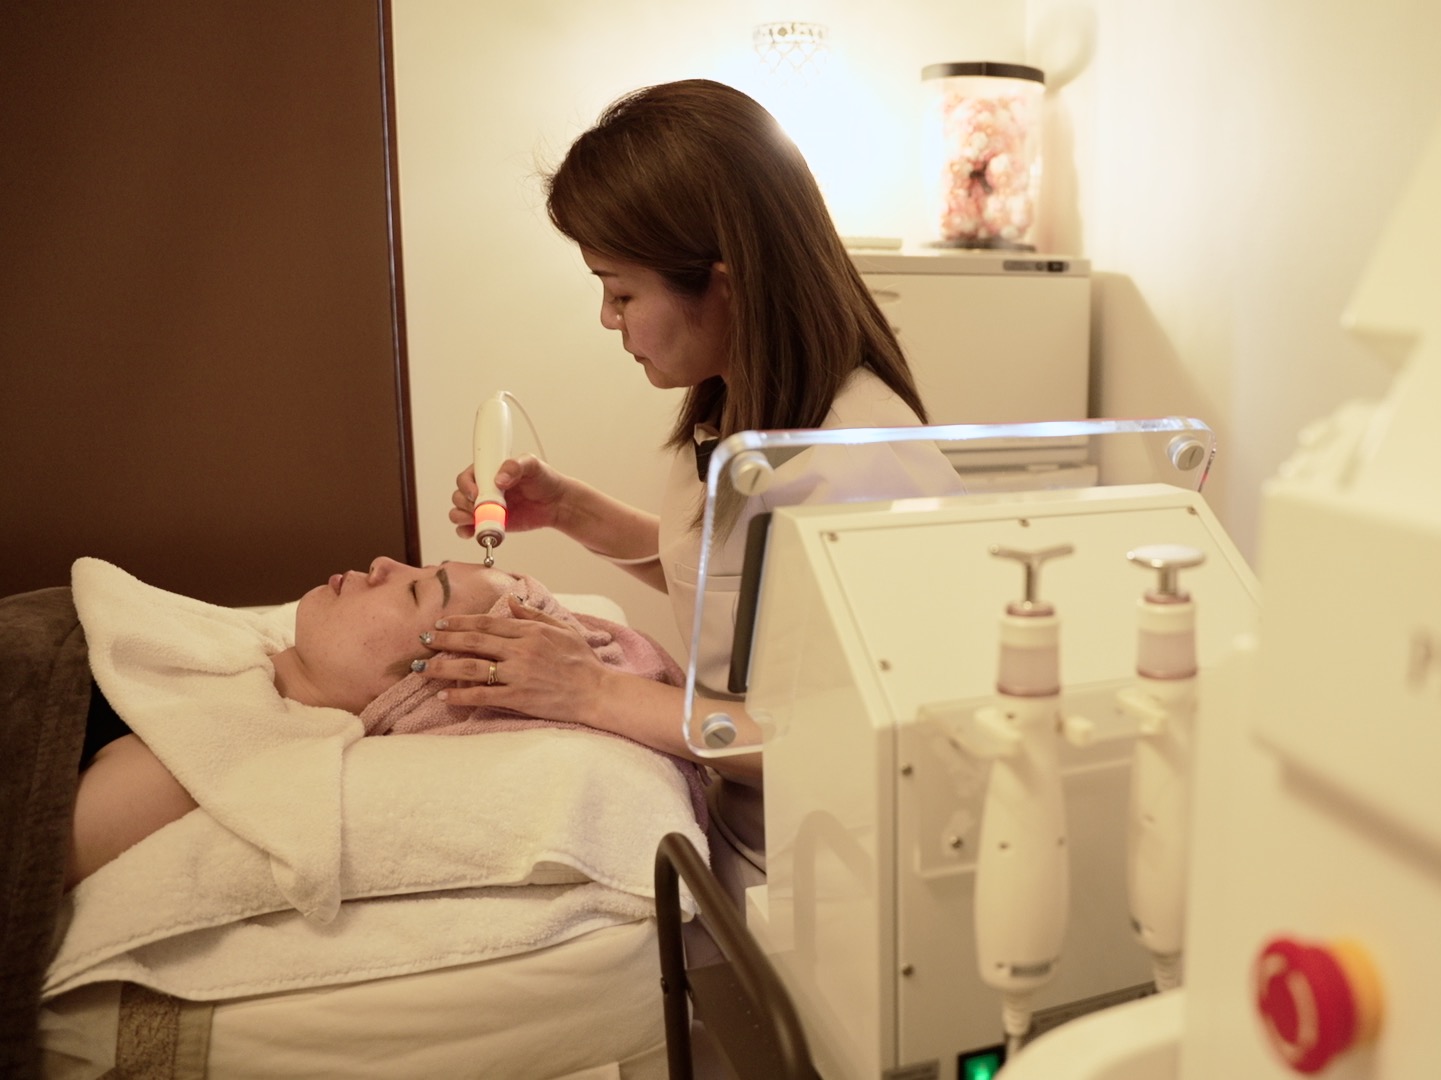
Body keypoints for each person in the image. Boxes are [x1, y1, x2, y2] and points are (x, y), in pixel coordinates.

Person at [435, 80, 966, 897]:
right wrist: (571, 510)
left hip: (841, 873)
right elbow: (737, 592)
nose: (608, 318)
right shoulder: (740, 403)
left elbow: (851, 741)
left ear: (725, 284)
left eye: (621, 291)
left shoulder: (863, 465)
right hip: (750, 829)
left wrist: (590, 689)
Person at [66, 557, 684, 888]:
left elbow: (46, 851)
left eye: (416, 591)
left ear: (429, 688)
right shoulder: (241, 648)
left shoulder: (238, 745)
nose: (384, 563)